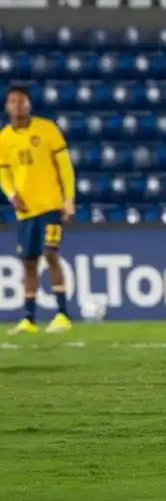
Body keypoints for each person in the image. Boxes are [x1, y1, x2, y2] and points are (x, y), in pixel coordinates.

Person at [0, 85, 76, 334]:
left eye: (22, 101)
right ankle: (29, 318)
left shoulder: (47, 129)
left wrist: (69, 199)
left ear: (29, 105)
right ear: (7, 107)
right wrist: (11, 194)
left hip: (51, 206)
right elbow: (3, 171)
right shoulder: (4, 138)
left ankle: (62, 314)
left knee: (51, 253)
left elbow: (64, 166)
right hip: (26, 213)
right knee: (29, 263)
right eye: (13, 101)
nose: (18, 105)